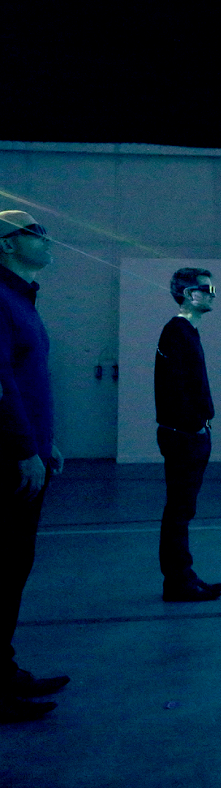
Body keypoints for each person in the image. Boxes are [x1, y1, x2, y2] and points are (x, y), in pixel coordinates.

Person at [0, 210, 69, 723]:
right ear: (6, 245)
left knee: (14, 567)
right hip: (9, 459)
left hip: (30, 451)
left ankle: (4, 671)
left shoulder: (22, 300)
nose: (47, 240)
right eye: (34, 233)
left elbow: (26, 380)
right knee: (3, 570)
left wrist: (46, 443)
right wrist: (25, 448)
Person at [155, 267, 221, 602]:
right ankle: (178, 581)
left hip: (189, 434)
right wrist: (194, 426)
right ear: (188, 294)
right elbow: (176, 389)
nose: (213, 294)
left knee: (182, 510)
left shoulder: (186, 331)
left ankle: (183, 576)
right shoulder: (177, 331)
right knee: (179, 511)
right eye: (206, 289)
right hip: (185, 437)